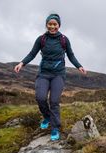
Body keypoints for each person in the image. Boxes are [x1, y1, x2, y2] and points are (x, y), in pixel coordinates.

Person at [14, 13, 87, 141]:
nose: (52, 26)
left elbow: (70, 55)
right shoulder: (41, 39)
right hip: (43, 74)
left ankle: (55, 127)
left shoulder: (64, 39)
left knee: (54, 101)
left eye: (55, 24)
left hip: (58, 74)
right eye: (50, 24)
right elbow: (32, 53)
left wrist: (78, 66)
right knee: (40, 98)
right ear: (46, 25)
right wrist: (22, 63)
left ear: (59, 25)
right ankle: (47, 117)